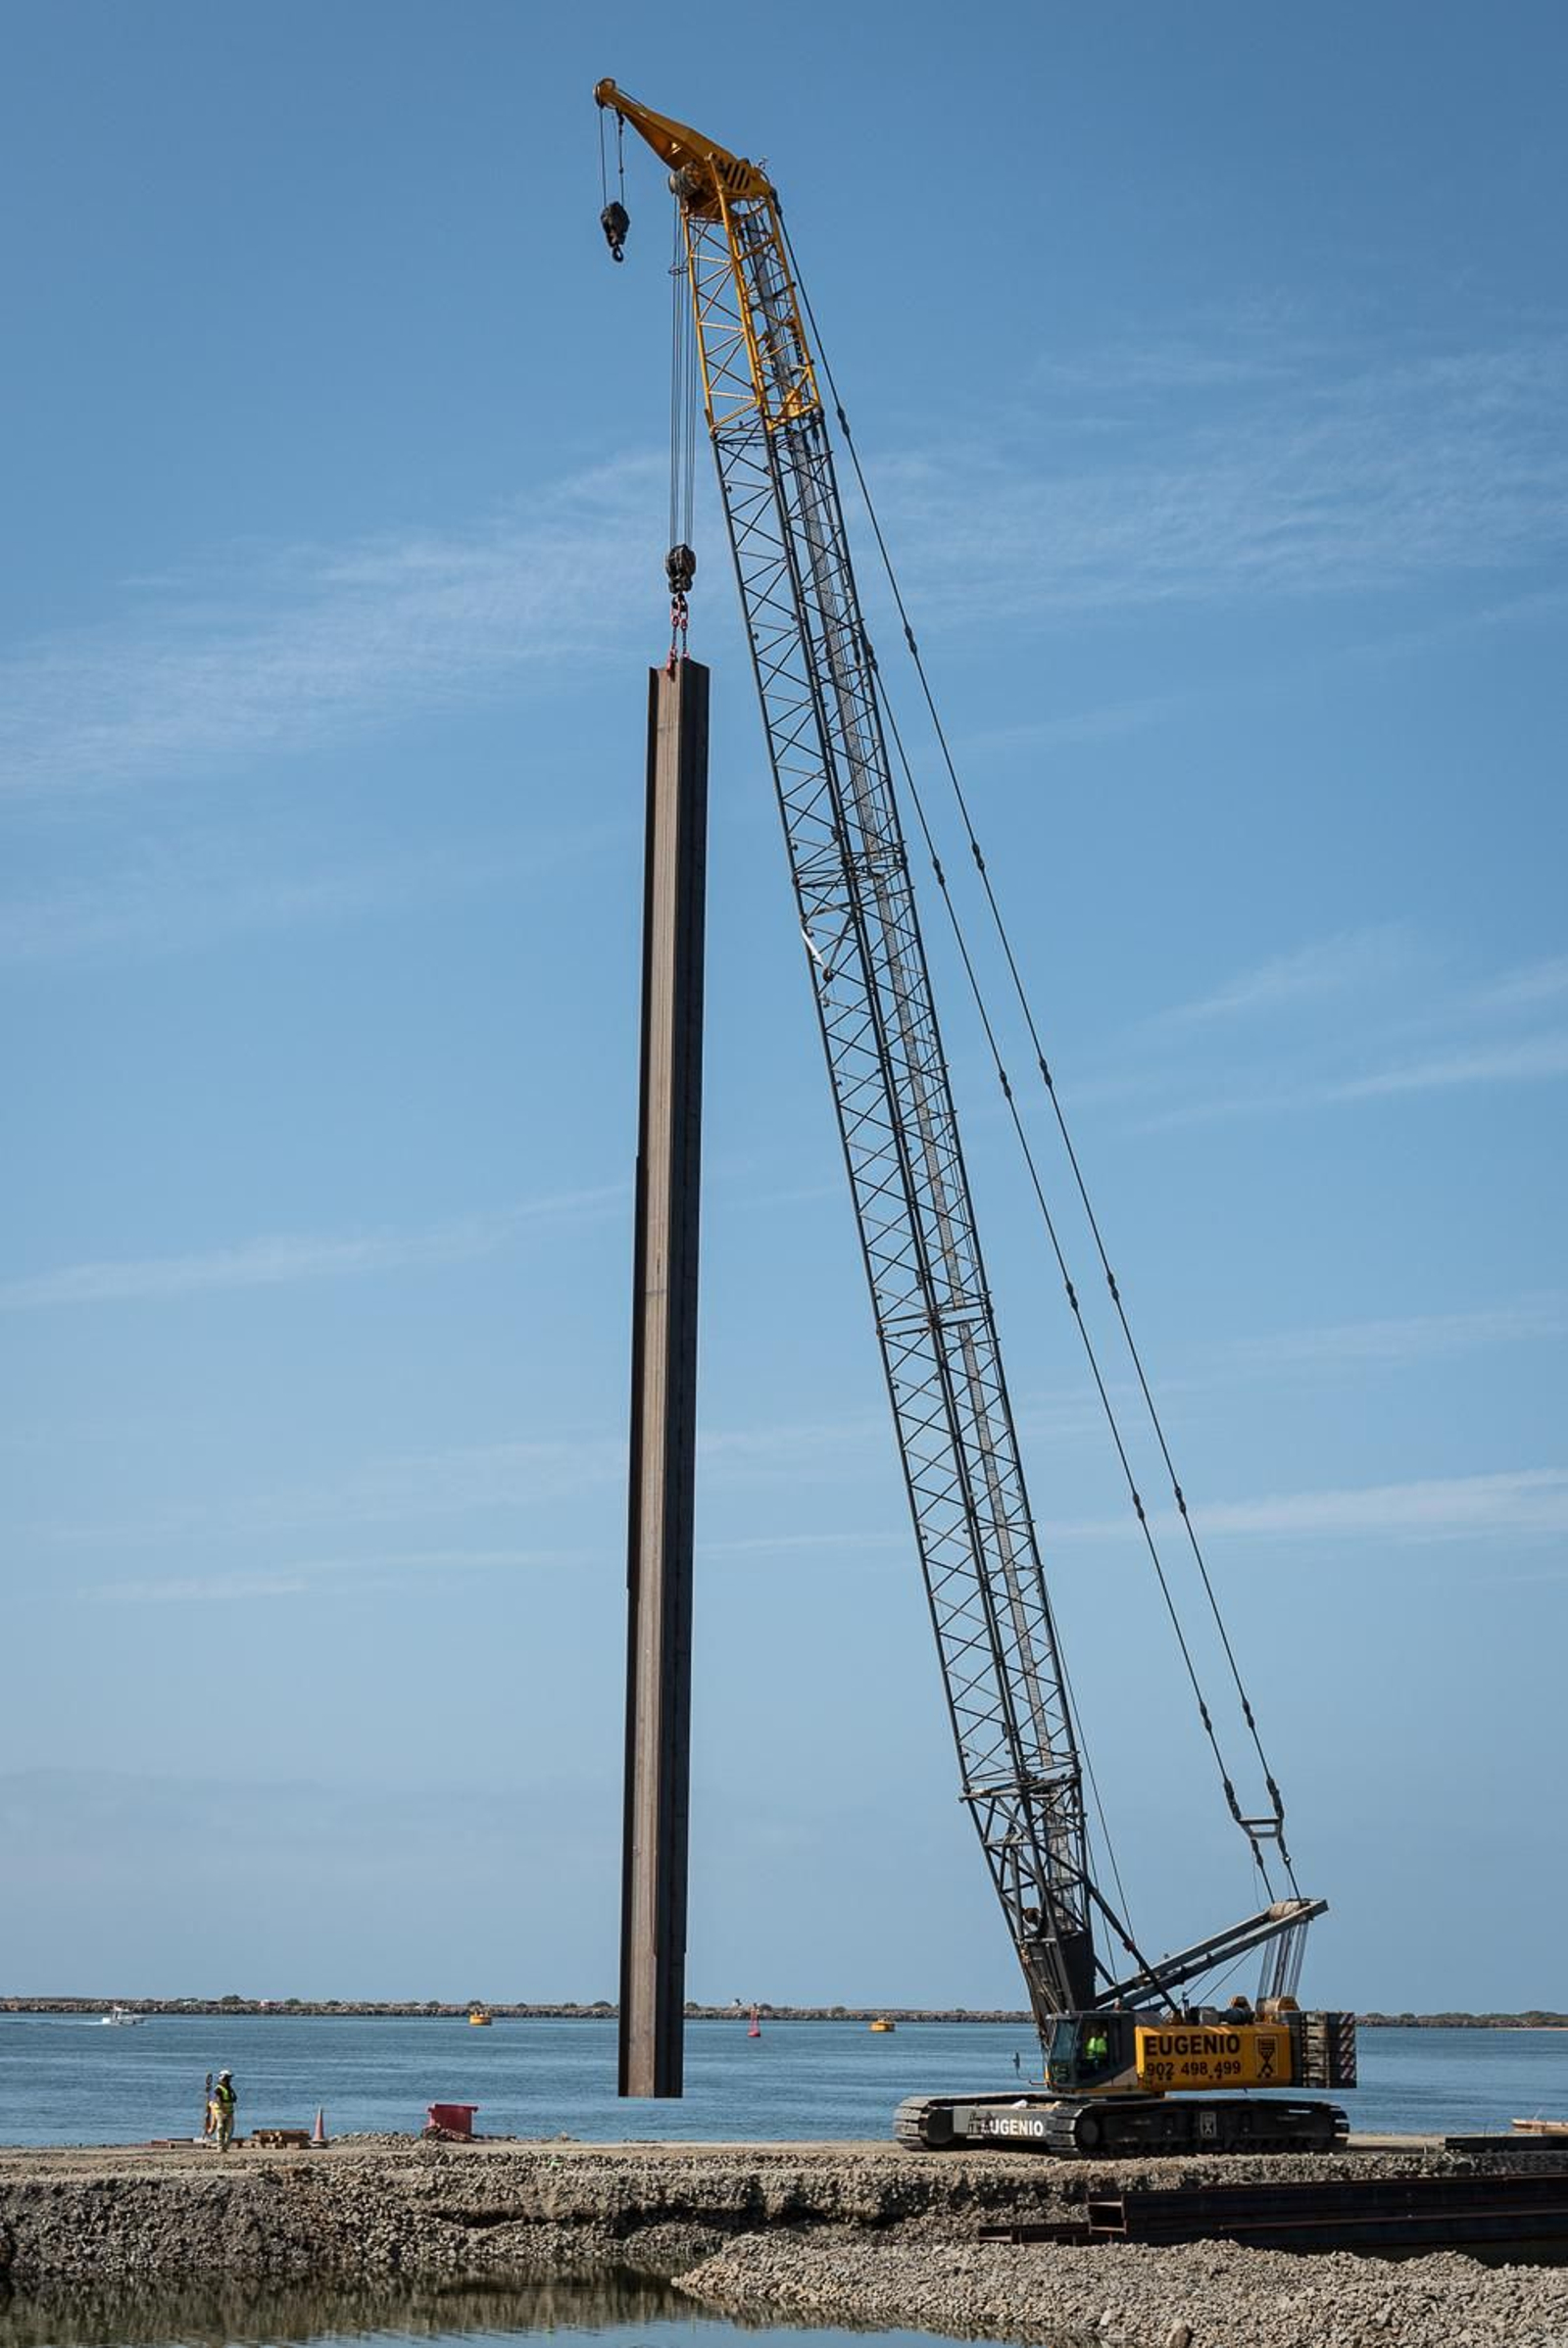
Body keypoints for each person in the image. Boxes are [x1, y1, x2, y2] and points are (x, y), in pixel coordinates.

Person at [213, 2069, 237, 2152]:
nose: (230, 2080)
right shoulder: (218, 2089)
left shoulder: (229, 2088)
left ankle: (225, 2147)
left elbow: (233, 2099)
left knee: (229, 2131)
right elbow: (218, 2101)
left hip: (230, 2112)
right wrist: (223, 2112)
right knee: (220, 2129)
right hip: (220, 2112)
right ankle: (220, 2147)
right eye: (228, 2078)